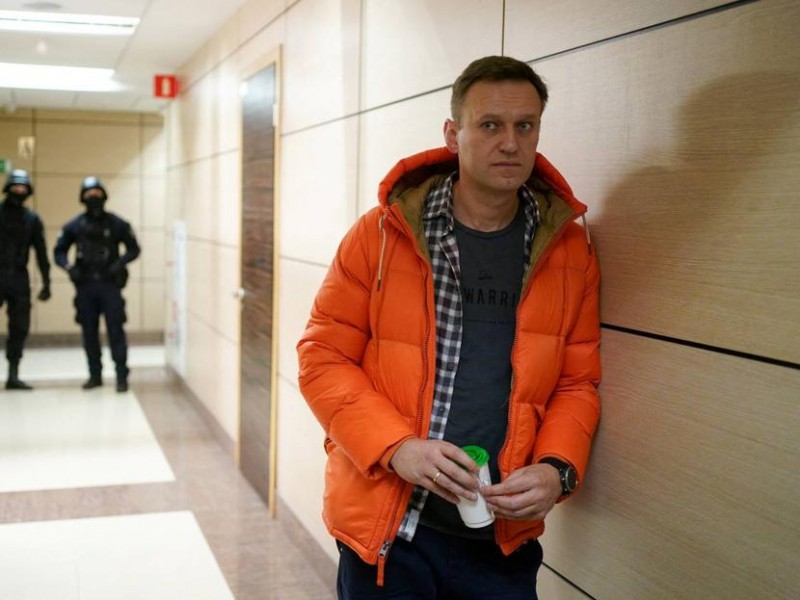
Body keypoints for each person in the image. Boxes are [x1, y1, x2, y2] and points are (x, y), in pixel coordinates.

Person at [297, 55, 601, 599]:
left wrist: (558, 469)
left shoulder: (569, 249)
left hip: (501, 540)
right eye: (490, 125)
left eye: (525, 126)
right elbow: (322, 357)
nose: (510, 143)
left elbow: (577, 383)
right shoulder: (382, 235)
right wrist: (397, 447)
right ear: (453, 134)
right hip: (392, 533)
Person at [54, 176, 140, 392]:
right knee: (89, 332)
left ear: (104, 196)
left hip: (110, 285)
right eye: (89, 194)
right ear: (82, 197)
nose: (93, 197)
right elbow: (59, 252)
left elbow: (134, 249)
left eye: (97, 193)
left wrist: (120, 263)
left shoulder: (117, 223)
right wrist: (69, 267)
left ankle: (121, 375)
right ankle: (95, 375)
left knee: (115, 330)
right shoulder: (75, 225)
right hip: (85, 286)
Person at [0, 169, 51, 390]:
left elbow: (41, 253)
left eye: (23, 188)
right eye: (15, 187)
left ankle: (13, 374)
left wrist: (47, 282)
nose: (19, 191)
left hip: (19, 277)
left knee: (20, 326)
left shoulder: (32, 219)